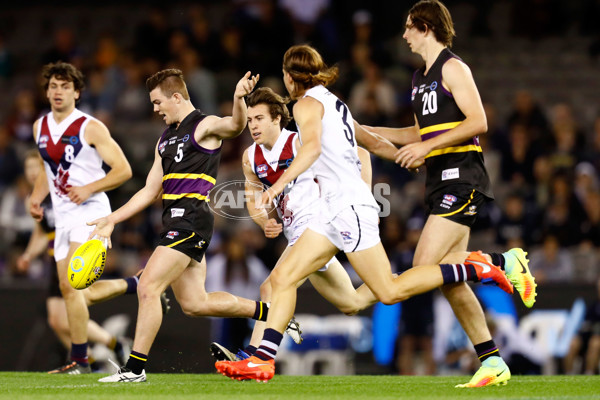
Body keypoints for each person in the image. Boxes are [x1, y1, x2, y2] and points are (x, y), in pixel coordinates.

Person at [215, 44, 513, 385]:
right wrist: (402, 156)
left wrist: (276, 186)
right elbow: (368, 141)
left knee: (388, 291)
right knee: (282, 281)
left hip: (345, 208)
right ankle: (262, 360)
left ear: (289, 76)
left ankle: (477, 266)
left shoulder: (306, 105)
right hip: (330, 211)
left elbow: (312, 148)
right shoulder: (334, 102)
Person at [360, 0, 537, 388]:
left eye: (409, 27)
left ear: (425, 27)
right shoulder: (420, 78)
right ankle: (492, 360)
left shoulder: (453, 68)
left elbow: (478, 121)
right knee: (446, 278)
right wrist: (361, 129)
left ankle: (502, 262)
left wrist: (427, 148)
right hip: (440, 181)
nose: (404, 35)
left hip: (463, 177)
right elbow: (417, 134)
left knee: (424, 266)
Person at [90, 68, 269, 383]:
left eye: (158, 102)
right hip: (174, 222)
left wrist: (239, 99)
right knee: (195, 304)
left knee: (148, 286)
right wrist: (111, 220)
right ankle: (269, 313)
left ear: (176, 97)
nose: (155, 109)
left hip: (191, 220)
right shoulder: (165, 138)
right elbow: (148, 191)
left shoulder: (204, 126)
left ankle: (134, 369)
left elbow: (236, 125)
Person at [209, 87, 381, 363]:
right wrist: (265, 221)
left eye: (259, 119)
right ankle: (407, 281)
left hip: (317, 225)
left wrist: (361, 198)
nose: (252, 125)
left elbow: (360, 153)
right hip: (297, 235)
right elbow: (254, 201)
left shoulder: (300, 142)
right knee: (352, 303)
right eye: (250, 120)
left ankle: (254, 355)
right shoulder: (250, 157)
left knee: (271, 287)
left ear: (277, 118)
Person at [18, 150, 169, 369]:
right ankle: (103, 352)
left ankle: (88, 359)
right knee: (58, 320)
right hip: (56, 260)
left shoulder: (63, 188)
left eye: (37, 167)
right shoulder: (35, 199)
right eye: (28, 168)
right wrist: (28, 255)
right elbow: (41, 233)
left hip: (76, 254)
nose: (32, 173)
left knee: (78, 298)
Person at [29, 61, 133, 374]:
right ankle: (133, 284)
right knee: (67, 287)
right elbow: (48, 169)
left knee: (72, 286)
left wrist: (89, 188)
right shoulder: (40, 126)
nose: (58, 92)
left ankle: (80, 360)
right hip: (62, 215)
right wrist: (36, 197)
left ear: (77, 92)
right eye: (53, 86)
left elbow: (123, 170)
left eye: (64, 86)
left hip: (90, 211)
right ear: (47, 93)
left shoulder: (90, 126)